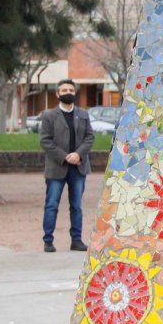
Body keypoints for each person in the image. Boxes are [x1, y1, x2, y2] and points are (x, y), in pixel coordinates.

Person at [39, 79, 94, 252]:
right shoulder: (48, 115)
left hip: (78, 167)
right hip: (57, 167)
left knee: (76, 206)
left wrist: (78, 154)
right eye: (64, 90)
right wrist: (65, 157)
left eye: (71, 89)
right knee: (52, 205)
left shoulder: (83, 114)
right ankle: (48, 240)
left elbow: (89, 137)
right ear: (57, 94)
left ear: (75, 92)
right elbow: (45, 141)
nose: (68, 92)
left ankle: (76, 240)